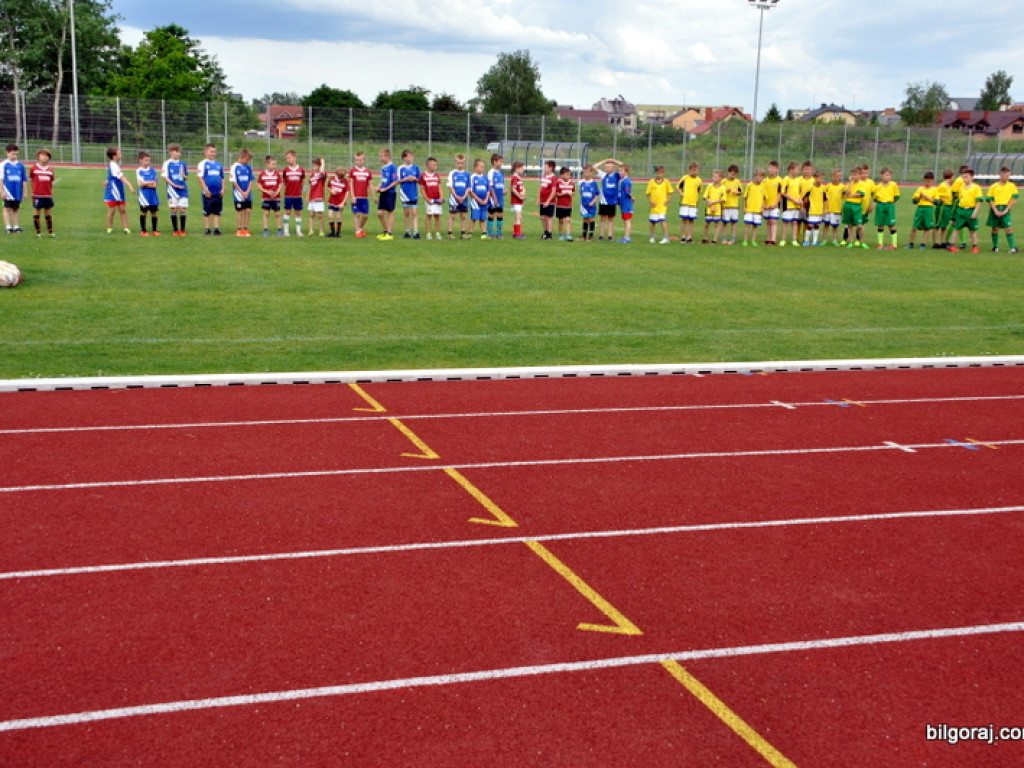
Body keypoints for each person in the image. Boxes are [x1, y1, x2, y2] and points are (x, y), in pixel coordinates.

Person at [947, 168, 983, 253]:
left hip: (970, 210)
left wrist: (975, 212)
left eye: (966, 177)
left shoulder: (976, 188)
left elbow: (979, 201)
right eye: (963, 177)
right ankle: (951, 245)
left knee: (973, 230)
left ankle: (974, 247)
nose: (964, 179)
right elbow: (959, 198)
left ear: (971, 177)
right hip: (961, 210)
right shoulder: (961, 187)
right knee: (957, 228)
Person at [986, 166, 1018, 253]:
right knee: (995, 228)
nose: (1008, 177)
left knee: (1008, 228)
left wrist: (1007, 209)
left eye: (1009, 175)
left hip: (1005, 208)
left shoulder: (1012, 186)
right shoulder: (993, 186)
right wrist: (995, 210)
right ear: (1001, 175)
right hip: (995, 208)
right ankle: (995, 247)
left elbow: (1013, 199)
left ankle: (1013, 248)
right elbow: (990, 199)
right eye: (1007, 175)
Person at [104, 146, 134, 234]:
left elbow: (111, 176)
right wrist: (130, 185)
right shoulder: (113, 165)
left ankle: (126, 228)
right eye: (119, 153)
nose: (121, 154)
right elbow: (121, 177)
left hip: (119, 189)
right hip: (113, 190)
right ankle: (109, 228)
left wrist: (107, 180)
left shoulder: (114, 165)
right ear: (114, 156)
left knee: (122, 209)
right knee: (112, 209)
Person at [196, 143, 224, 236]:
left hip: (218, 191)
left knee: (217, 211)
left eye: (214, 152)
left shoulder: (218, 165)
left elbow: (222, 177)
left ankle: (216, 228)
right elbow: (200, 178)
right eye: (211, 151)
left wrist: (223, 188)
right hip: (208, 192)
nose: (213, 153)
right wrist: (205, 189)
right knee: (207, 211)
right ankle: (207, 229)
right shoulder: (202, 163)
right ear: (206, 152)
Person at [162, 143, 189, 236]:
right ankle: (175, 230)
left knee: (182, 209)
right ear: (170, 152)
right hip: (172, 190)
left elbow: (186, 177)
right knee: (173, 209)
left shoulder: (183, 164)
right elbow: (165, 177)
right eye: (176, 152)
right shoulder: (167, 163)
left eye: (179, 152)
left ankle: (182, 230)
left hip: (183, 190)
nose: (178, 154)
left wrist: (184, 176)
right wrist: (174, 185)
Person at [28, 148, 56, 238]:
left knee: (48, 212)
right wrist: (32, 191)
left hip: (47, 195)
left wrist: (51, 192)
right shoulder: (33, 168)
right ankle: (38, 232)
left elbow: (51, 181)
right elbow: (31, 180)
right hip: (37, 194)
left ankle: (50, 232)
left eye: (47, 156)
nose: (45, 157)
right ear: (38, 156)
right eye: (43, 155)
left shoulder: (50, 170)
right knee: (37, 211)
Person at [1, 143, 27, 234]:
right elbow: (1, 179)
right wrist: (2, 191)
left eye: (16, 153)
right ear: (7, 153)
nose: (15, 155)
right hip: (8, 190)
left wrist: (25, 191)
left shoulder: (20, 165)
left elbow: (24, 179)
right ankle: (8, 227)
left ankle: (16, 226)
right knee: (7, 208)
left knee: (16, 209)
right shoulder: (3, 164)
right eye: (13, 153)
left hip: (17, 190)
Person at [906, 172, 936, 250]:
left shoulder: (934, 190)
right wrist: (919, 197)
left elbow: (936, 202)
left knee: (927, 227)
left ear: (932, 181)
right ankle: (911, 243)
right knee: (915, 227)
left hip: (929, 209)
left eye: (929, 181)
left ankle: (923, 243)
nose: (927, 183)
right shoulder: (920, 189)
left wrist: (928, 198)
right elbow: (914, 201)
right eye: (926, 181)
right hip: (920, 208)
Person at [872, 167, 900, 250]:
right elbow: (875, 198)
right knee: (880, 224)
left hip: (889, 205)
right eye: (886, 175)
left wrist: (890, 202)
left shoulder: (893, 185)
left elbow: (896, 197)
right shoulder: (878, 186)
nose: (887, 177)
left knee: (891, 224)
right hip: (880, 205)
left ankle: (894, 244)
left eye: (889, 175)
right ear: (881, 175)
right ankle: (880, 243)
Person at [596, 158, 623, 240]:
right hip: (603, 200)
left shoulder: (617, 175)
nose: (606, 168)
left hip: (612, 200)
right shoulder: (603, 175)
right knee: (602, 218)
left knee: (611, 219)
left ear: (612, 168)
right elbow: (594, 167)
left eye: (608, 167)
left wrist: (615, 161)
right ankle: (601, 235)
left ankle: (610, 235)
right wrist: (604, 161)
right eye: (606, 167)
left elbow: (624, 166)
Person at [645, 164, 673, 244]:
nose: (659, 174)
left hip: (662, 206)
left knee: (662, 221)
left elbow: (670, 192)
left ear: (663, 173)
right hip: (654, 206)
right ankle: (651, 236)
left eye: (661, 172)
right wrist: (650, 201)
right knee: (652, 222)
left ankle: (666, 237)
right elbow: (648, 193)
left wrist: (668, 201)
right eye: (658, 172)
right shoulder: (651, 182)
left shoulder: (666, 182)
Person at [229, 148, 254, 237]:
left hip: (248, 193)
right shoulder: (234, 167)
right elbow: (234, 181)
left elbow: (251, 180)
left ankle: (245, 228)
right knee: (240, 211)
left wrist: (247, 191)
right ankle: (239, 229)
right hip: (238, 194)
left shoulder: (248, 167)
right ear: (242, 157)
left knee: (247, 210)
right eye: (247, 159)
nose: (248, 161)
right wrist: (241, 192)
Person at [136, 151, 161, 236]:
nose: (148, 162)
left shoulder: (153, 170)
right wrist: (150, 183)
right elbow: (141, 184)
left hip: (153, 195)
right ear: (141, 160)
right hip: (144, 195)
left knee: (154, 212)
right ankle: (143, 230)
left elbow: (156, 183)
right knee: (144, 212)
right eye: (146, 160)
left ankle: (155, 230)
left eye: (149, 160)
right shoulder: (139, 171)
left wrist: (148, 183)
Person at [375, 147, 398, 240]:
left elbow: (395, 181)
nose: (380, 158)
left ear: (387, 156)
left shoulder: (393, 167)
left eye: (381, 156)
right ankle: (385, 231)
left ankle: (389, 233)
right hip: (383, 192)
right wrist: (378, 187)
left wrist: (386, 189)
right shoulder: (383, 168)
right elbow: (383, 180)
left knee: (389, 212)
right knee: (379, 213)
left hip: (390, 192)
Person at [348, 152, 373, 238]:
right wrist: (352, 196)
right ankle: (357, 231)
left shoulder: (367, 172)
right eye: (357, 160)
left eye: (360, 160)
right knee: (357, 214)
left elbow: (370, 184)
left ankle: (360, 228)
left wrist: (373, 196)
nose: (359, 161)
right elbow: (350, 184)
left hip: (364, 196)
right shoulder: (352, 171)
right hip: (356, 196)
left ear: (364, 160)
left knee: (365, 215)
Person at [840, 166, 866, 248]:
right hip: (848, 204)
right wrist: (850, 183)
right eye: (853, 174)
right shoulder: (849, 184)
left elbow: (860, 194)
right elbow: (846, 193)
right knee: (849, 225)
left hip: (856, 206)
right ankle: (851, 241)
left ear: (860, 175)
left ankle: (862, 241)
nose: (854, 176)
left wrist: (851, 196)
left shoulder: (862, 184)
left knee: (859, 225)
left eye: (856, 174)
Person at [281, 149, 305, 236]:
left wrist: (300, 191)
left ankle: (298, 231)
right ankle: (286, 230)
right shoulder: (285, 170)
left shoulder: (301, 170)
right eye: (286, 159)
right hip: (288, 195)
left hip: (297, 195)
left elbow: (302, 181)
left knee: (298, 212)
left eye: (289, 158)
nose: (287, 160)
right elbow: (284, 181)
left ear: (295, 157)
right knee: (287, 212)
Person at [258, 155, 284, 237]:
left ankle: (279, 229)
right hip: (266, 197)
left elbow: (280, 184)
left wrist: (276, 192)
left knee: (277, 213)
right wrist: (267, 192)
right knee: (266, 213)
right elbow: (259, 185)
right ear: (267, 164)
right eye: (273, 164)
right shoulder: (262, 174)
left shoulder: (277, 174)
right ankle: (265, 229)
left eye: (275, 164)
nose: (274, 166)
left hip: (276, 197)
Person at [677, 162, 702, 244]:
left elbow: (698, 191)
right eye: (692, 170)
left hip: (693, 203)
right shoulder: (685, 178)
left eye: (696, 170)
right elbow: (678, 187)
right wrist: (681, 193)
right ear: (689, 170)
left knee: (691, 220)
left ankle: (689, 237)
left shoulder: (699, 180)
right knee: (684, 220)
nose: (694, 171)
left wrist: (697, 202)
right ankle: (683, 236)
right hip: (685, 202)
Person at [398, 149, 421, 239]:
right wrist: (406, 179)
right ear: (404, 158)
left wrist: (414, 179)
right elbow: (398, 180)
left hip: (413, 192)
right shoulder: (401, 168)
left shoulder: (415, 168)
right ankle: (407, 231)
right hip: (404, 193)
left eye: (412, 156)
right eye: (409, 156)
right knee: (406, 213)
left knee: (414, 213)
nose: (411, 158)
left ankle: (416, 232)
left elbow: (420, 180)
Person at [447, 153, 470, 239]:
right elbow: (450, 186)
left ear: (464, 163)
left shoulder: (467, 174)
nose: (460, 165)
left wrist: (464, 196)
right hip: (454, 199)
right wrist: (456, 196)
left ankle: (463, 233)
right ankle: (450, 233)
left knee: (463, 216)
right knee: (452, 215)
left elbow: (468, 187)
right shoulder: (452, 173)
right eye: (458, 163)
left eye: (462, 163)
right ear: (455, 163)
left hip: (464, 198)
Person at [419, 157, 443, 240]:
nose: (435, 166)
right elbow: (422, 188)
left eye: (436, 164)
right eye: (433, 164)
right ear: (427, 165)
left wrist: (441, 197)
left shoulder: (437, 176)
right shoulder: (423, 176)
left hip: (437, 199)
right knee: (429, 216)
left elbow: (440, 187)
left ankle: (437, 232)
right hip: (429, 199)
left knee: (437, 215)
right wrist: (426, 199)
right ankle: (428, 233)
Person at [802, 171, 827, 247]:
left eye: (823, 178)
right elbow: (803, 197)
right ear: (815, 178)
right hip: (811, 210)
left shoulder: (823, 188)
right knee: (810, 225)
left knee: (816, 225)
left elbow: (825, 199)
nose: (822, 179)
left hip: (819, 210)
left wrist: (825, 209)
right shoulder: (810, 187)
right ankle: (806, 241)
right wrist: (803, 206)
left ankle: (814, 242)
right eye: (820, 178)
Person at [932, 169, 955, 249]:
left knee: (944, 225)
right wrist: (940, 200)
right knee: (938, 225)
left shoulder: (949, 186)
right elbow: (937, 195)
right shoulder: (943, 185)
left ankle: (943, 242)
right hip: (943, 206)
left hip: (948, 206)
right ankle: (935, 242)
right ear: (951, 177)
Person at [468, 158, 491, 238]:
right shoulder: (472, 177)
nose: (482, 168)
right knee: (474, 217)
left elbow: (488, 189)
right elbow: (470, 191)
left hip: (484, 201)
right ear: (475, 167)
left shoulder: (485, 178)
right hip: (475, 202)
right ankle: (470, 232)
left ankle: (484, 233)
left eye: (483, 167)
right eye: (481, 167)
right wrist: (478, 199)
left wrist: (486, 199)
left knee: (483, 218)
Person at [742, 168, 765, 247]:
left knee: (755, 226)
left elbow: (764, 198)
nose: (760, 178)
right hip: (749, 209)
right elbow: (745, 197)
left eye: (762, 177)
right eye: (759, 176)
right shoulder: (749, 185)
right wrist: (744, 207)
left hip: (758, 210)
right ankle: (745, 240)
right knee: (747, 225)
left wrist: (762, 208)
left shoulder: (763, 186)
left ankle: (753, 240)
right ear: (755, 176)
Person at [761, 160, 782, 246]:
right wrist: (763, 205)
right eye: (770, 168)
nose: (771, 170)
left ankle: (773, 239)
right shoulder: (764, 181)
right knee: (768, 222)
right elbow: (762, 193)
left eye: (774, 168)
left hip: (774, 205)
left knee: (773, 221)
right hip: (766, 205)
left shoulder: (780, 180)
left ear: (777, 169)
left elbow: (780, 193)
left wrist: (776, 203)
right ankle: (768, 239)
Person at [701, 169, 725, 245]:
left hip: (717, 209)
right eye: (713, 176)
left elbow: (723, 199)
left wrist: (714, 202)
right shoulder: (709, 186)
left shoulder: (723, 188)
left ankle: (714, 240)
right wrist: (709, 202)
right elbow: (705, 196)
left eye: (715, 177)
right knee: (706, 223)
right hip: (709, 208)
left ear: (720, 178)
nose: (713, 178)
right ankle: (705, 238)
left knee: (717, 224)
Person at [721, 164, 742, 245]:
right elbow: (719, 190)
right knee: (725, 223)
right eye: (732, 174)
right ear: (728, 172)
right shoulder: (723, 181)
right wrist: (726, 190)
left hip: (734, 206)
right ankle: (724, 238)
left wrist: (737, 192)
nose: (733, 176)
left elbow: (740, 191)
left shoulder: (737, 182)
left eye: (735, 174)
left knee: (734, 222)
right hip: (725, 205)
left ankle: (733, 238)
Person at [823, 169, 845, 246]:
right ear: (832, 176)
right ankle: (824, 240)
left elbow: (844, 196)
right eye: (835, 176)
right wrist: (824, 208)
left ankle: (834, 240)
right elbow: (824, 198)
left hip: (837, 210)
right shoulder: (828, 186)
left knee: (835, 226)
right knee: (826, 225)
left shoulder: (842, 187)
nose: (837, 178)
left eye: (839, 176)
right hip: (828, 210)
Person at [486, 153, 505, 239]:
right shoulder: (491, 172)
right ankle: (489, 233)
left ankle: (499, 233)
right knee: (492, 214)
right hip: (493, 198)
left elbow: (501, 184)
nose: (501, 164)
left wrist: (504, 190)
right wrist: (494, 197)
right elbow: (490, 186)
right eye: (500, 162)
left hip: (500, 198)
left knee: (500, 214)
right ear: (494, 162)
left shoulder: (500, 173)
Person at [307, 157, 327, 237]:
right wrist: (308, 196)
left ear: (319, 166)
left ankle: (321, 231)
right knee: (311, 214)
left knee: (320, 215)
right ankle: (311, 230)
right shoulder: (312, 175)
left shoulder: (322, 175)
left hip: (319, 197)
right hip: (312, 197)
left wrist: (323, 163)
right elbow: (310, 186)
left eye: (316, 166)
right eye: (313, 165)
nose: (314, 167)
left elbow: (322, 172)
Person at [578, 165, 599, 241]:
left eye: (587, 172)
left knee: (591, 219)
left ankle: (591, 236)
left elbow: (597, 194)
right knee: (585, 219)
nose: (585, 173)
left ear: (591, 173)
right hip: (584, 205)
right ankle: (583, 236)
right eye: (584, 172)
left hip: (591, 204)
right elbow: (581, 193)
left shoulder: (593, 183)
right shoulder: (582, 183)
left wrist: (593, 201)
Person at [537, 159, 557, 240]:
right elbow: (541, 187)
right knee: (542, 217)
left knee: (549, 217)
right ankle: (545, 232)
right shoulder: (544, 177)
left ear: (551, 168)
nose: (544, 168)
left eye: (546, 167)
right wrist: (538, 198)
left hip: (550, 201)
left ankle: (549, 234)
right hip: (542, 200)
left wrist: (548, 201)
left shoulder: (554, 178)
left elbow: (553, 191)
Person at [327, 167, 349, 238]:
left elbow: (347, 192)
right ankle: (332, 232)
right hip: (332, 200)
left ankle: (338, 233)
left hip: (340, 201)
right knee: (330, 216)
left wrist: (343, 202)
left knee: (339, 217)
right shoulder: (332, 179)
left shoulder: (345, 181)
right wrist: (331, 190)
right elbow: (328, 186)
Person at [555, 165, 575, 241]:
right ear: (562, 175)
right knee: (561, 220)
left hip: (568, 205)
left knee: (568, 220)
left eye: (569, 175)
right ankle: (560, 234)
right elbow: (556, 194)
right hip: (560, 205)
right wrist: (563, 194)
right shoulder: (559, 183)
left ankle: (568, 235)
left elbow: (573, 192)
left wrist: (571, 194)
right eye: (566, 175)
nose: (568, 176)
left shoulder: (572, 183)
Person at [617, 164, 634, 243]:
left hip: (626, 204)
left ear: (626, 172)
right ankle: (626, 236)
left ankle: (627, 237)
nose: (620, 172)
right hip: (623, 203)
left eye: (621, 171)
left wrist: (632, 197)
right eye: (619, 171)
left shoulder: (626, 181)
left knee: (627, 220)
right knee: (625, 220)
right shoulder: (622, 180)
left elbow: (628, 192)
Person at [510, 161, 527, 239]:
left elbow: (520, 189)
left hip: (519, 201)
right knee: (518, 217)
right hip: (516, 201)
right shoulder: (515, 178)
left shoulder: (518, 178)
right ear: (517, 169)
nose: (523, 169)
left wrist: (523, 194)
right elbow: (513, 189)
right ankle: (517, 233)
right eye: (522, 168)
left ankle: (516, 232)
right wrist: (520, 196)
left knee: (518, 217)